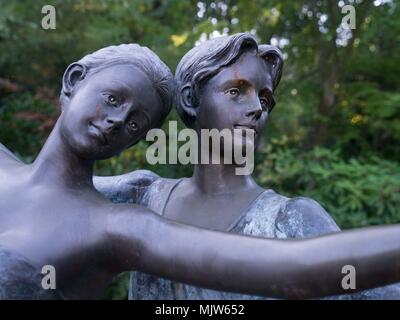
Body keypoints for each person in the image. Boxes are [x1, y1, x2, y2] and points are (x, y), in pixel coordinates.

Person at [94, 34, 400, 299]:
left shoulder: (291, 220)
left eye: (265, 100)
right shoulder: (142, 197)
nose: (256, 109)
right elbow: (53, 198)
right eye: (236, 91)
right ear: (190, 99)